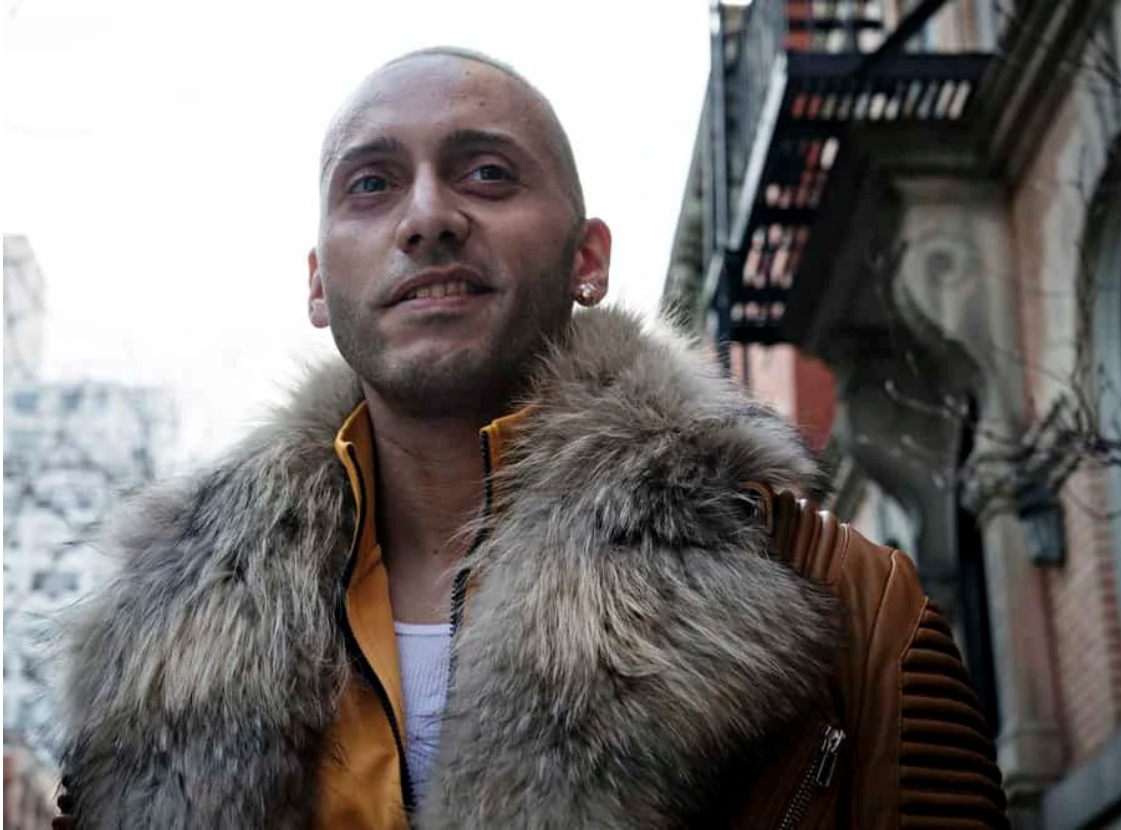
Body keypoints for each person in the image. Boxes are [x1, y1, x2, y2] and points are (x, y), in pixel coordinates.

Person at [54, 47, 1008, 828]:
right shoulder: (151, 650)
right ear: (317, 283)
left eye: (486, 173)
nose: (428, 217)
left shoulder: (852, 604)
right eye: (373, 184)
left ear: (587, 258)